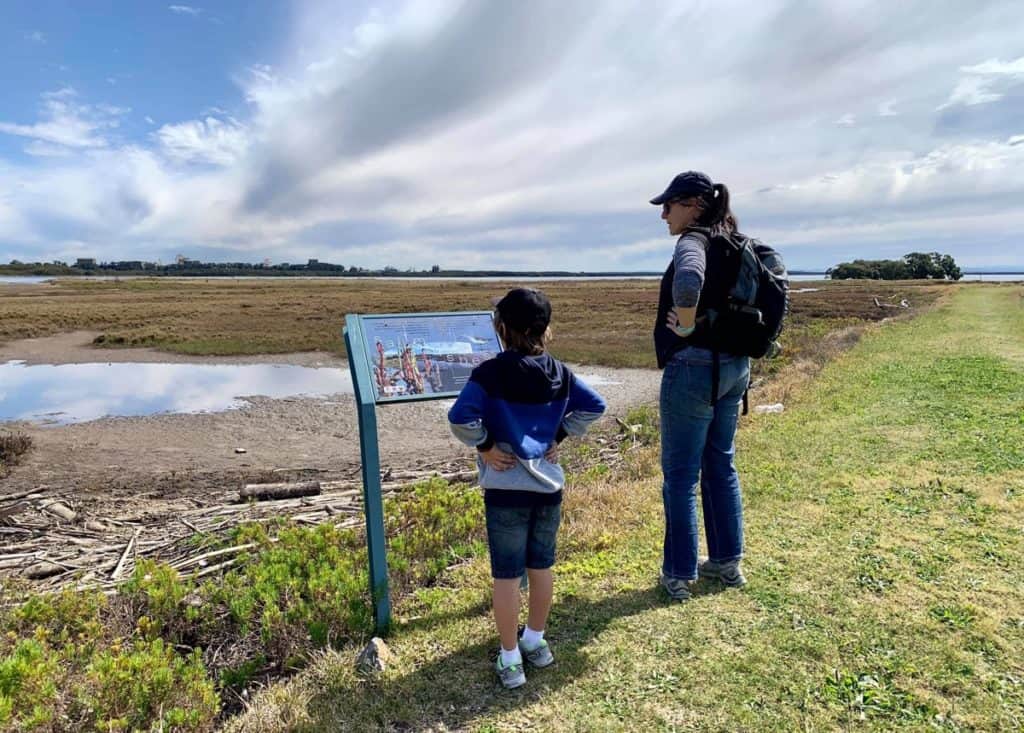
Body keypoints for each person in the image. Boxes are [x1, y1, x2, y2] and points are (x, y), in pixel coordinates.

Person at [448, 288, 606, 689]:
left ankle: (509, 658)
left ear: (501, 328)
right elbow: (595, 405)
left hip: (505, 492)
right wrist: (559, 436)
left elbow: (460, 417)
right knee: (542, 567)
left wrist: (486, 446)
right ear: (545, 329)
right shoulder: (560, 373)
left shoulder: (489, 373)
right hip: (548, 491)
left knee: (506, 576)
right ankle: (535, 641)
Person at [650, 171, 750, 601]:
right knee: (721, 464)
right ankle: (727, 563)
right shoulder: (734, 240)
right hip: (735, 368)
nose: (664, 216)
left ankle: (678, 574)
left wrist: (688, 326)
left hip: (693, 369)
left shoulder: (693, 241)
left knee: (680, 474)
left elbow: (689, 280)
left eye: (668, 206)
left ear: (693, 205)